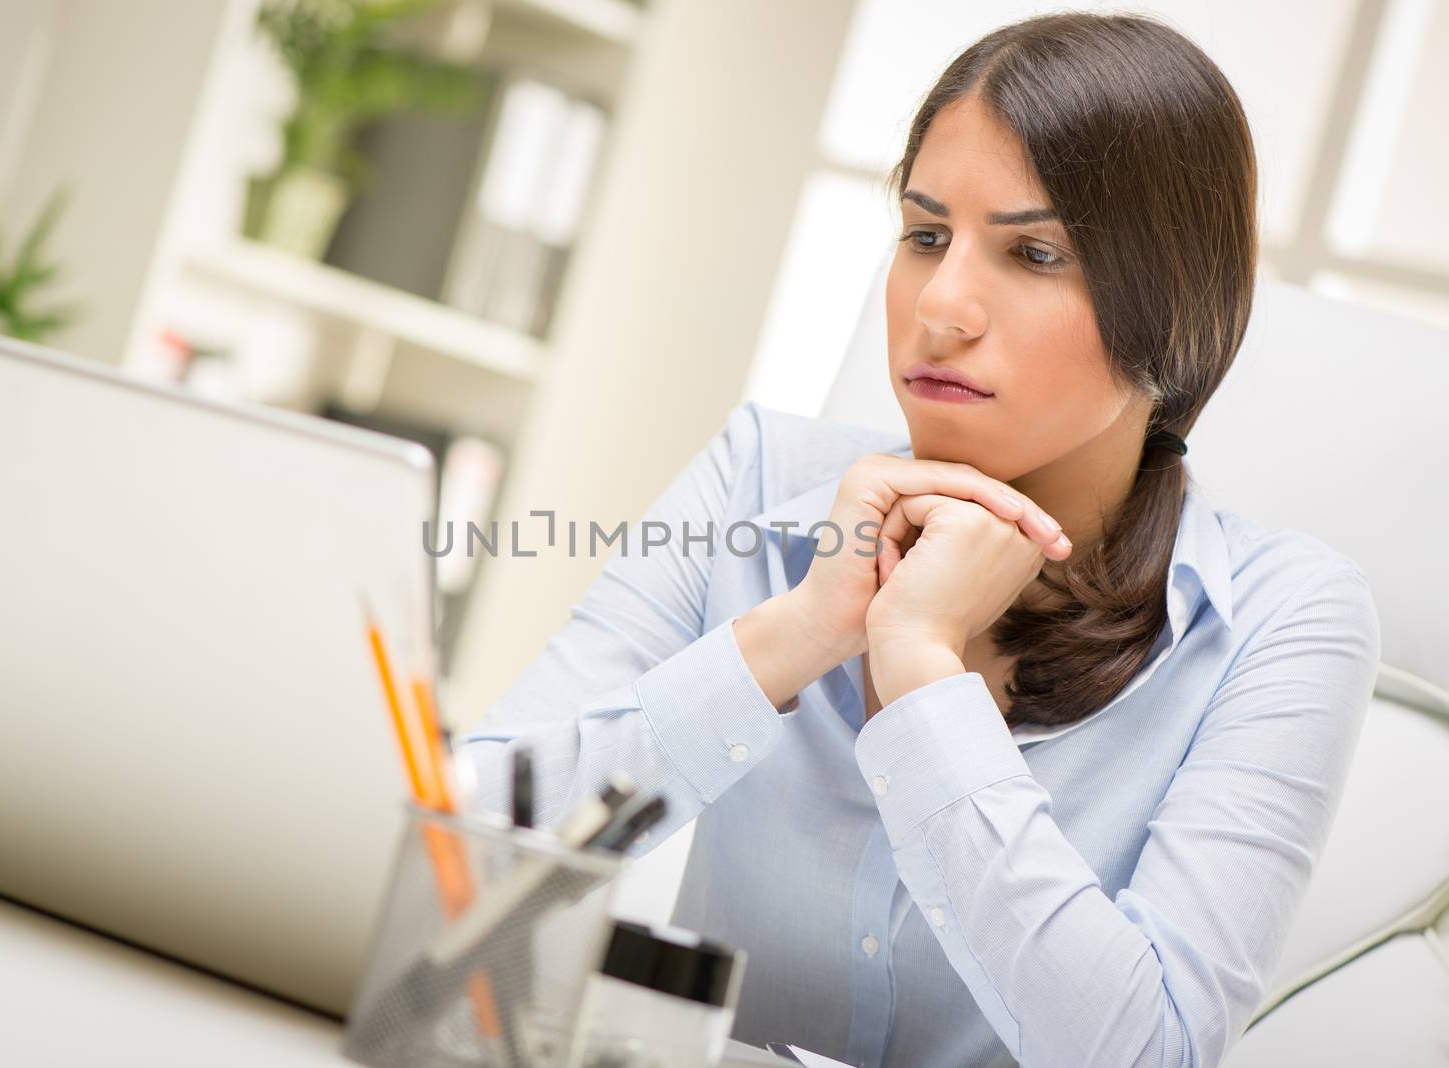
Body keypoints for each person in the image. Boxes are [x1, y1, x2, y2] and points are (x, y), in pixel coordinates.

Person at [464, 11, 1382, 1067]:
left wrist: (917, 669)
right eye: (925, 235)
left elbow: (1144, 1052)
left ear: (1175, 313)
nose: (940, 306)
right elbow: (471, 847)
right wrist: (797, 634)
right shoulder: (759, 481)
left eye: (1034, 253)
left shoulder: (1282, 619)